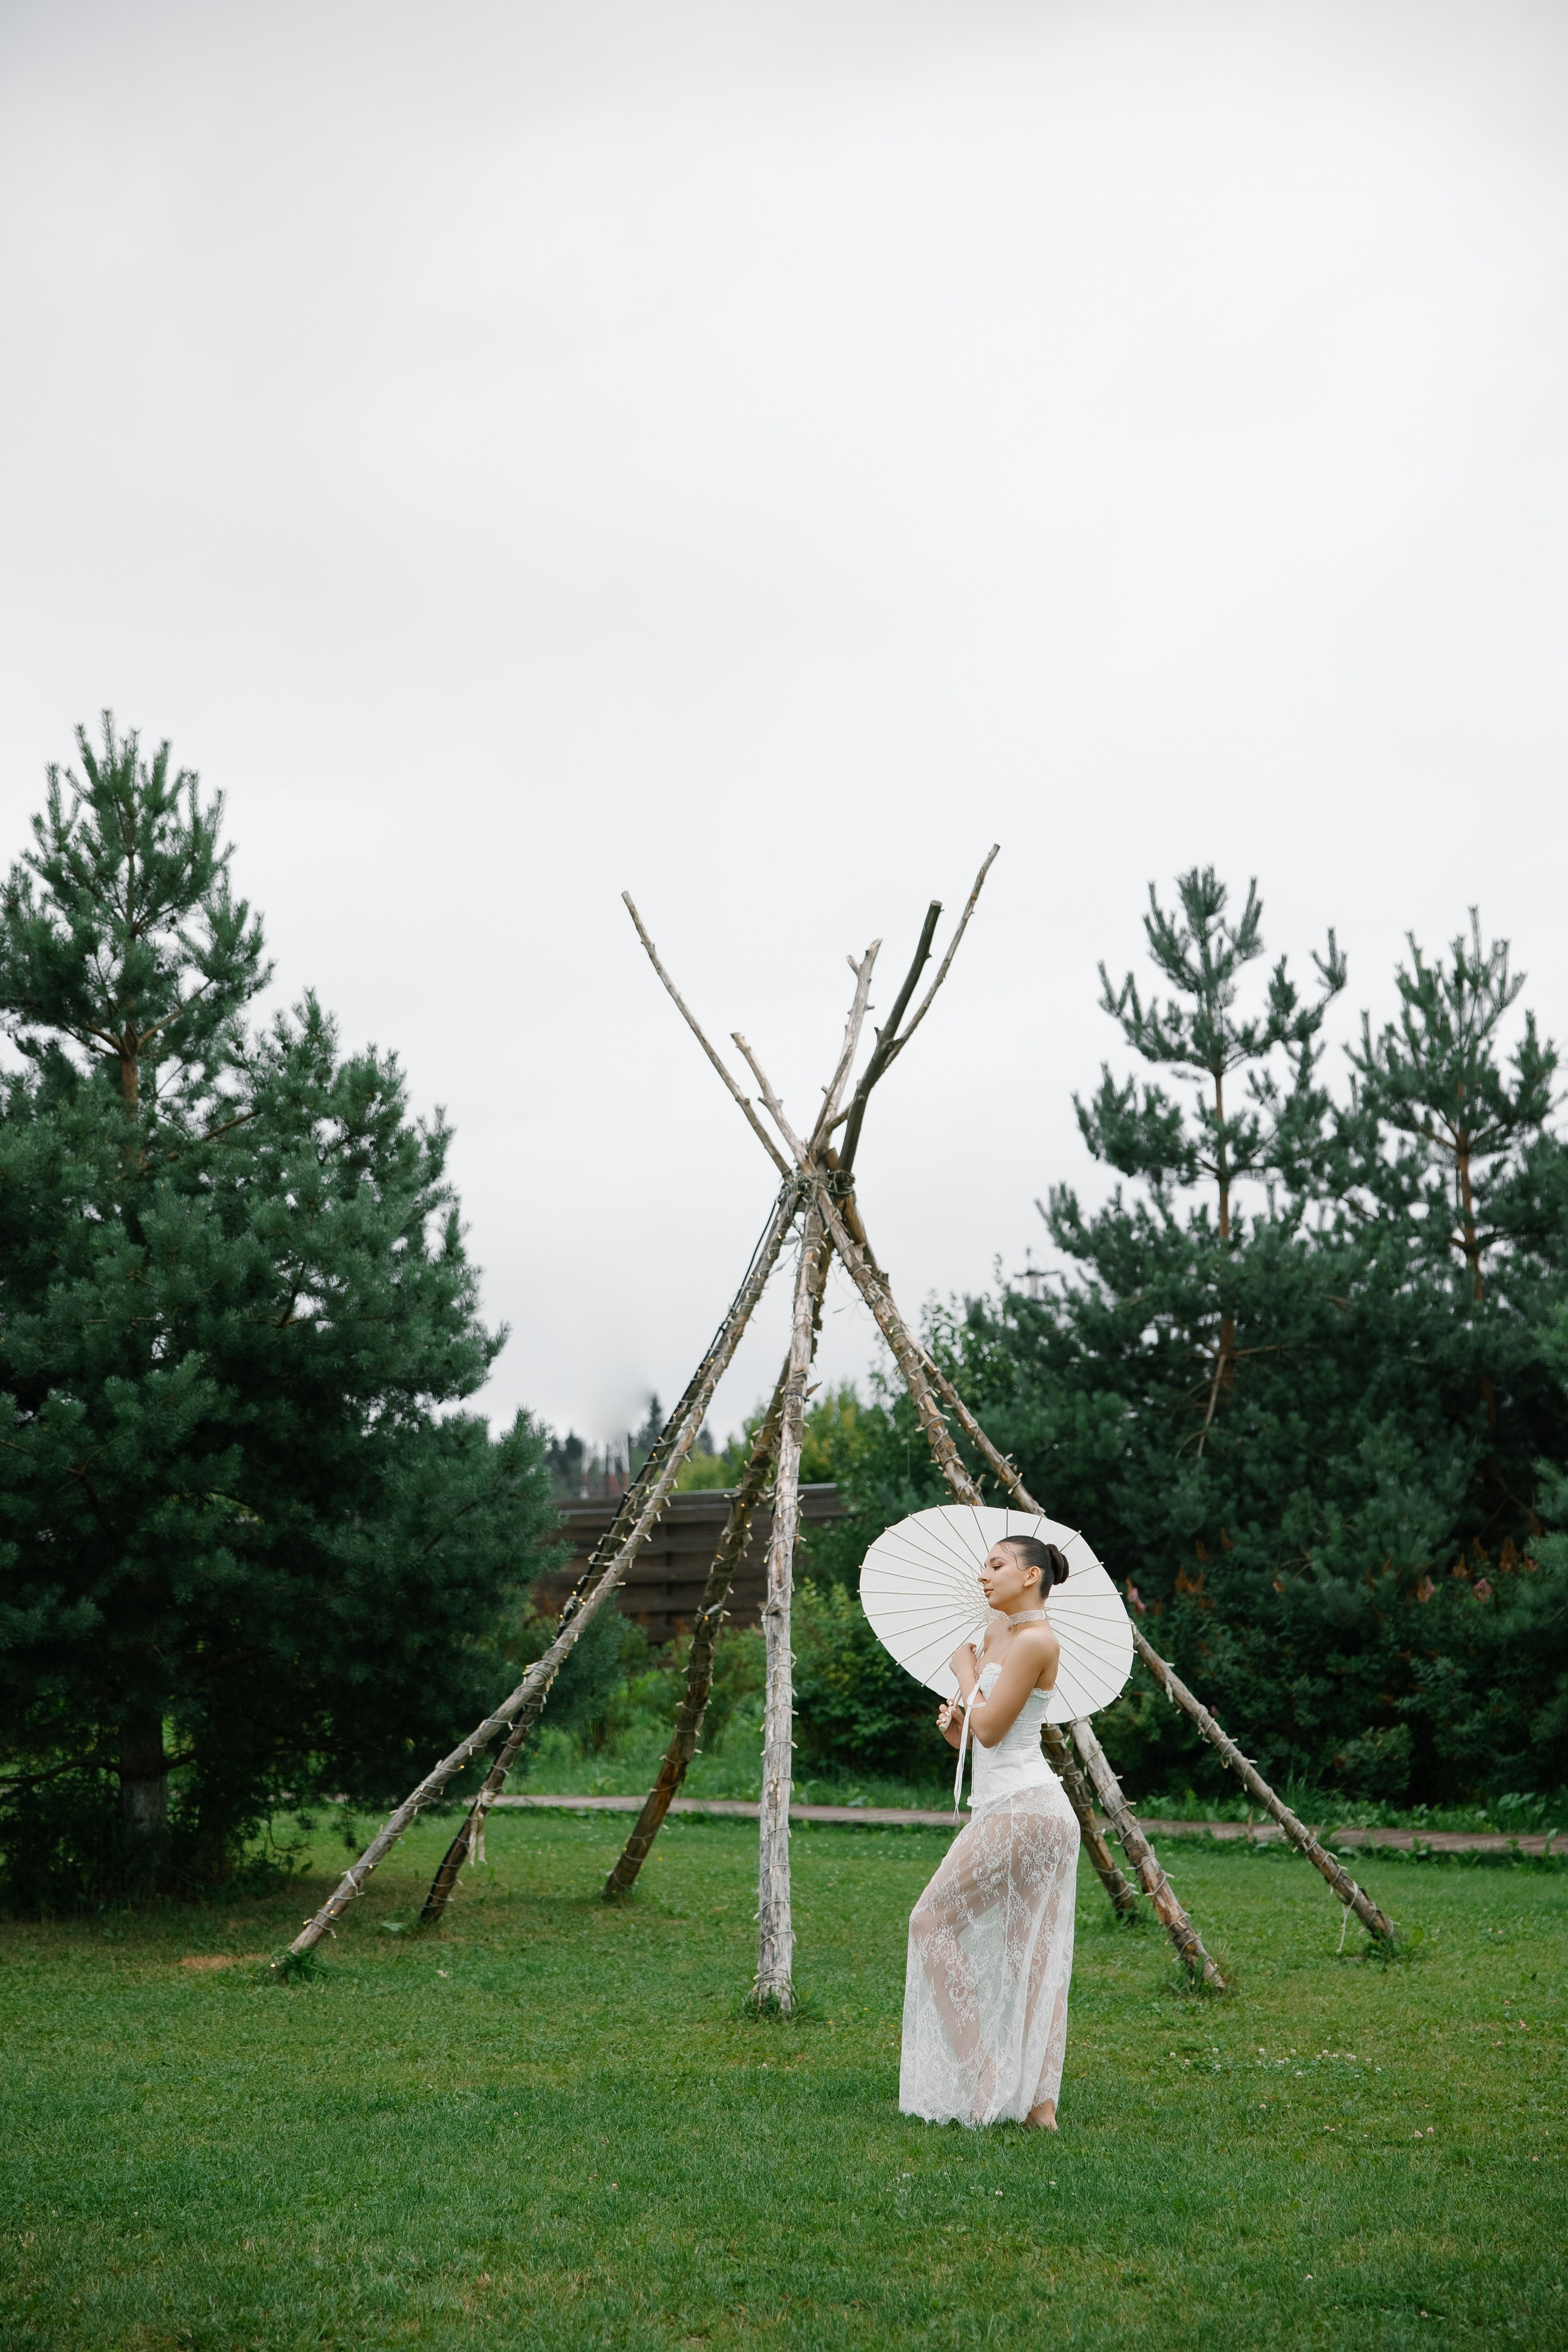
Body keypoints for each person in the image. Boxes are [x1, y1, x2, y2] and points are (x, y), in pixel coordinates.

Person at [898, 1535, 1080, 2130]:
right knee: (1025, 1954)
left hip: (1024, 1807)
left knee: (931, 1922)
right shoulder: (998, 1632)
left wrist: (965, 1670)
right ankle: (1037, 2107)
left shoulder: (1035, 1640)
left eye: (996, 1565)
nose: (983, 1575)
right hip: (1011, 1804)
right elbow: (971, 1736)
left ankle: (986, 2077)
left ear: (1030, 1575)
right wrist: (955, 1714)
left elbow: (997, 1730)